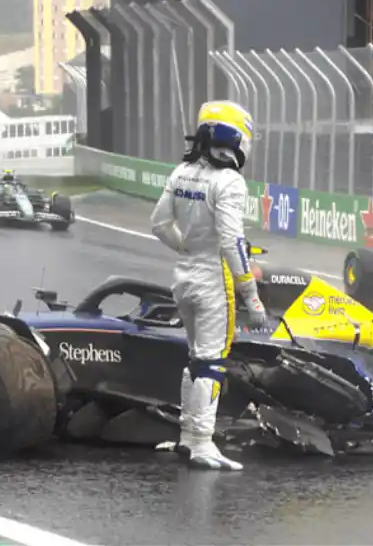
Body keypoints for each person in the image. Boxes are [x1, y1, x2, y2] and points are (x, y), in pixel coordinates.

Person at [150, 100, 269, 471]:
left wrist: (186, 247)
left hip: (183, 277)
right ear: (234, 138)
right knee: (213, 363)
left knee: (195, 359)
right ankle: (203, 442)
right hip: (214, 280)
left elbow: (158, 224)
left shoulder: (181, 173)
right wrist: (251, 295)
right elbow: (233, 240)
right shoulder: (229, 181)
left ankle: (188, 437)